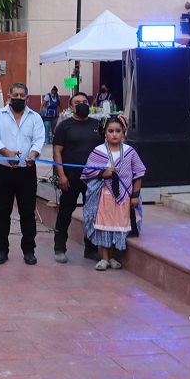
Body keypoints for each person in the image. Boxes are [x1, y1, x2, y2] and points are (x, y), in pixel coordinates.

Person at [0, 82, 45, 265]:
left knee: (27, 212)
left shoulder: (35, 117)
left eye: (22, 96)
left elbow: (39, 139)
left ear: (27, 98)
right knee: (2, 211)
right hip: (4, 170)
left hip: (27, 171)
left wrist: (33, 154)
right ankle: (2, 250)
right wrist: (7, 154)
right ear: (9, 97)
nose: (19, 98)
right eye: (16, 95)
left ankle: (29, 250)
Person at [81, 116, 146, 271]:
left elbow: (139, 173)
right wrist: (103, 173)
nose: (115, 134)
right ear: (105, 133)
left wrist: (135, 195)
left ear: (124, 132)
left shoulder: (130, 152)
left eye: (118, 131)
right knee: (105, 226)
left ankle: (113, 257)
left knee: (119, 226)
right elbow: (87, 172)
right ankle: (104, 258)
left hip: (124, 197)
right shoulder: (98, 151)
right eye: (111, 131)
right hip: (104, 196)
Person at [52, 92, 103, 263]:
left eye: (85, 102)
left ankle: (91, 249)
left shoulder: (97, 125)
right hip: (70, 177)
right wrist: (61, 175)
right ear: (71, 107)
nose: (82, 104)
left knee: (92, 214)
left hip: (94, 178)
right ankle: (59, 248)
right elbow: (57, 152)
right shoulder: (64, 127)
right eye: (78, 102)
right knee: (65, 212)